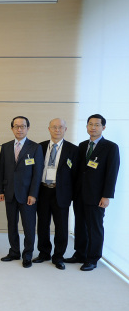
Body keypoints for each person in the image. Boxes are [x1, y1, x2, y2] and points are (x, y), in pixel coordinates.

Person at [65, 114, 120, 271]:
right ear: (87, 126)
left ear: (103, 127)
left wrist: (106, 196)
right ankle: (80, 254)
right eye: (90, 124)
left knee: (94, 227)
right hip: (80, 194)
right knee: (80, 226)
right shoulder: (82, 146)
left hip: (97, 196)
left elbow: (112, 173)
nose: (93, 127)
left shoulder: (110, 147)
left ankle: (93, 258)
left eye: (97, 125)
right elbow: (77, 171)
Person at [0, 116, 44, 268]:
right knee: (12, 225)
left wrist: (33, 194)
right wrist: (0, 190)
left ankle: (28, 254)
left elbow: (37, 174)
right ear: (12, 128)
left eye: (22, 126)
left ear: (28, 128)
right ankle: (14, 252)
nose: (19, 129)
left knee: (29, 227)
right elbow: (1, 171)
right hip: (9, 193)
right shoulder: (5, 147)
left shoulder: (35, 148)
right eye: (16, 126)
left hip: (27, 196)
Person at [34, 118, 78, 270]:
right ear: (49, 129)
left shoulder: (73, 149)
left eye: (60, 127)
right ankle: (44, 253)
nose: (57, 130)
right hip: (43, 190)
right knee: (43, 224)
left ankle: (58, 256)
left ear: (65, 130)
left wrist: (72, 195)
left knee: (61, 226)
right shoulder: (40, 147)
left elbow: (76, 176)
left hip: (62, 193)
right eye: (54, 127)